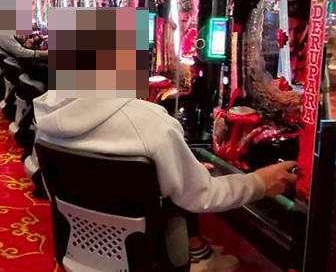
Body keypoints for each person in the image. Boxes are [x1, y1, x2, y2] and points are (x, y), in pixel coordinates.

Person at [34, 95, 298, 272]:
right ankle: (197, 255)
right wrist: (259, 182)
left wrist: (180, 168)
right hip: (143, 256)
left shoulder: (46, 118)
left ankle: (198, 250)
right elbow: (202, 196)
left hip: (77, 245)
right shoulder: (150, 122)